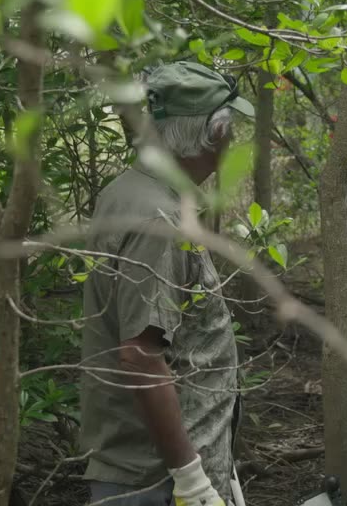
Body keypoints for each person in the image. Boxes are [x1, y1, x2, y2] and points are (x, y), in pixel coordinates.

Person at [80, 62, 253, 506]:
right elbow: (140, 356)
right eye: (230, 130)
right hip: (156, 479)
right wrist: (192, 478)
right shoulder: (160, 219)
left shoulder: (130, 190)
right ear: (213, 135)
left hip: (152, 467)